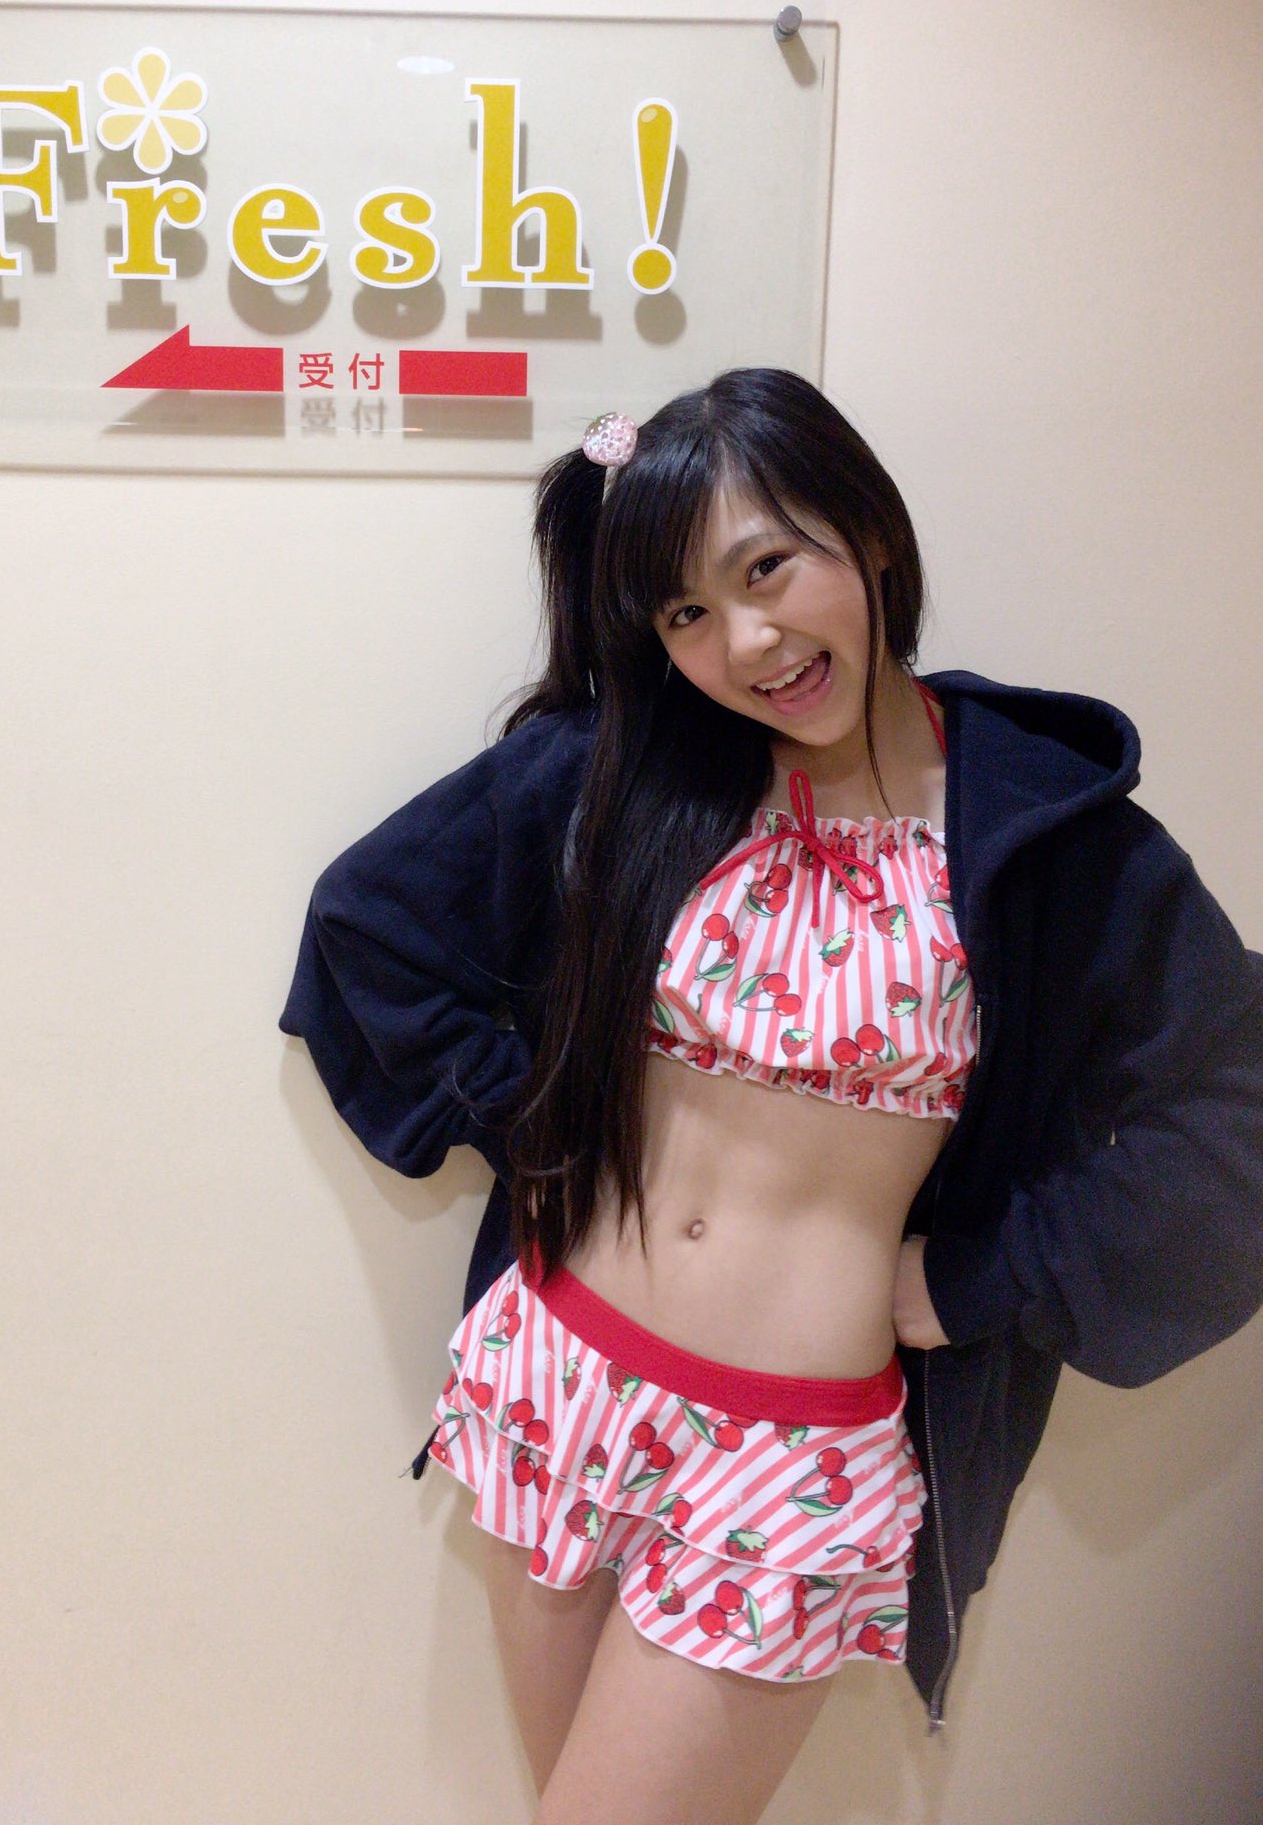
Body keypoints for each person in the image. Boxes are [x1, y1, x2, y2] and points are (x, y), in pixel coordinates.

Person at [279, 368, 1263, 1824]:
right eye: (685, 613)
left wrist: (981, 1275)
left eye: (766, 569)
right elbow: (370, 919)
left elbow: (1238, 1105)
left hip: (787, 1459)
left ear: (866, 532)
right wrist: (537, 1128)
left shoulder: (1040, 835)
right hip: (559, 1373)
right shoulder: (639, 772)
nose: (746, 642)